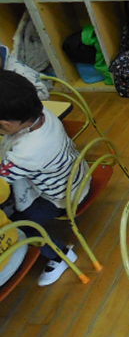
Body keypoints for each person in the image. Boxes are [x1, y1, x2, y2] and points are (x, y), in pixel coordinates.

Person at [0, 71, 89, 286]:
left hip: (62, 198)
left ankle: (61, 256)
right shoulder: (42, 112)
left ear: (7, 124)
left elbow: (2, 183)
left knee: (18, 222)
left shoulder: (26, 153)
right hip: (79, 175)